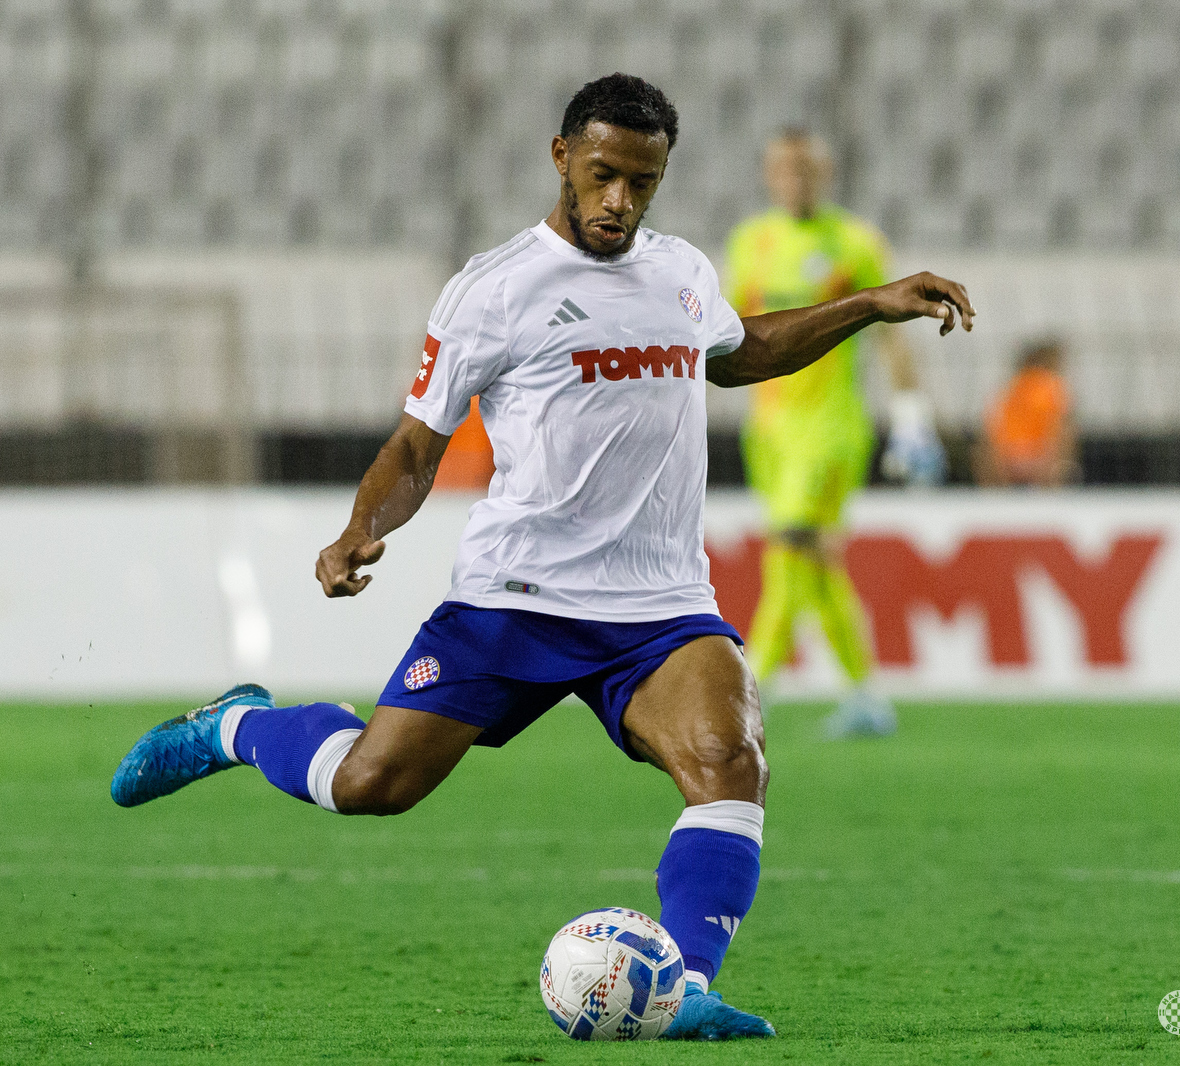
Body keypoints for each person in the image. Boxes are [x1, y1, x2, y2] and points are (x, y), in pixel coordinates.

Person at [109, 74, 973, 1041]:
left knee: (731, 762)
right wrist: (365, 526)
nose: (620, 202)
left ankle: (681, 987)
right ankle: (238, 728)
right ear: (561, 157)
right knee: (369, 788)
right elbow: (415, 444)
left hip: (656, 602)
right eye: (604, 176)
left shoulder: (682, 270)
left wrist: (872, 305)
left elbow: (743, 351)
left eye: (643, 184)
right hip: (513, 599)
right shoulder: (495, 288)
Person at [725, 130, 943, 738]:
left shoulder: (855, 244)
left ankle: (747, 691)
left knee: (789, 548)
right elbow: (728, 331)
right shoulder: (751, 242)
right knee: (816, 562)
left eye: (806, 167)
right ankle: (867, 697)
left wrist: (910, 417)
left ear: (825, 172)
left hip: (830, 428)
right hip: (767, 428)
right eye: (784, 167)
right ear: (771, 174)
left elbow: (892, 332)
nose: (795, 178)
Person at [974, 339, 1076, 488]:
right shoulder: (1052, 385)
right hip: (1039, 461)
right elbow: (1058, 429)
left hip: (1005, 461)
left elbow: (992, 428)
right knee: (1066, 430)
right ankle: (1052, 489)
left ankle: (997, 492)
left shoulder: (1009, 387)